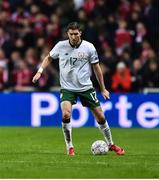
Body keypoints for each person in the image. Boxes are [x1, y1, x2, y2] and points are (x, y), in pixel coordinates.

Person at [32, 22, 125, 156]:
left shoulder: (89, 47)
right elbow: (48, 57)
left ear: (80, 33)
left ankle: (111, 144)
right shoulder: (60, 46)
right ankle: (70, 147)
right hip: (67, 88)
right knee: (66, 114)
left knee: (100, 116)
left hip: (86, 87)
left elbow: (97, 68)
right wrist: (40, 71)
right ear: (67, 34)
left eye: (76, 34)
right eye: (71, 34)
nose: (74, 36)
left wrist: (103, 89)